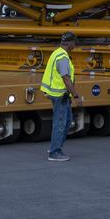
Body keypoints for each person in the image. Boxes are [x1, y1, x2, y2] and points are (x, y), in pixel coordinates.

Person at [41, 32, 77, 162]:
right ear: (69, 43)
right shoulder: (62, 57)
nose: (75, 45)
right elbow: (66, 79)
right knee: (60, 124)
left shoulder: (58, 52)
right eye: (74, 42)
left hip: (60, 95)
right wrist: (75, 94)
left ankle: (55, 148)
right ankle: (55, 152)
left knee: (66, 122)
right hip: (59, 95)